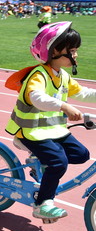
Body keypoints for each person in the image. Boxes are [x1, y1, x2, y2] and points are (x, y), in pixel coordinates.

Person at [5, 22, 96, 220]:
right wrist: (64, 106)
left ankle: (40, 160)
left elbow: (82, 92)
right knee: (58, 163)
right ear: (55, 51)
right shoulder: (38, 75)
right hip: (30, 132)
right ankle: (42, 204)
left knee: (82, 155)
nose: (76, 55)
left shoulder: (62, 75)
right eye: (72, 50)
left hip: (53, 130)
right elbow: (37, 97)